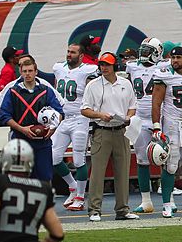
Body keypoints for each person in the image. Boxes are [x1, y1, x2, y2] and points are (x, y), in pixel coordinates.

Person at [82, 52, 139, 222]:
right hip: (102, 130)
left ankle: (122, 209)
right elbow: (84, 109)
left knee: (123, 172)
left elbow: (132, 106)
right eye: (101, 64)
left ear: (114, 66)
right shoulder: (93, 85)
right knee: (97, 172)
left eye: (107, 64)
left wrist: (128, 117)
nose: (104, 68)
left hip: (122, 130)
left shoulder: (125, 84)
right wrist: (100, 114)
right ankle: (94, 210)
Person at [0, 59, 64, 181]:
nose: (27, 74)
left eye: (30, 71)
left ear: (36, 72)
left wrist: (53, 128)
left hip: (43, 142)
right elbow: (4, 115)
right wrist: (22, 129)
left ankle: (46, 200)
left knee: (45, 178)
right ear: (20, 73)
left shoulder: (46, 90)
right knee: (21, 179)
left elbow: (59, 112)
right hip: (20, 141)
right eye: (24, 71)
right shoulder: (13, 91)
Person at [52, 43, 98, 211]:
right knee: (54, 157)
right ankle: (72, 186)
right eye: (68, 51)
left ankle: (80, 196)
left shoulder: (88, 70)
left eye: (73, 52)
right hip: (63, 118)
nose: (69, 54)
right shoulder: (58, 68)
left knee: (79, 158)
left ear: (81, 56)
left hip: (80, 118)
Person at [127, 38, 169, 214]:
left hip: (160, 117)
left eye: (147, 51)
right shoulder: (132, 66)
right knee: (142, 160)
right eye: (142, 51)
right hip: (140, 119)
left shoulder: (165, 67)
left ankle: (169, 200)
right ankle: (146, 201)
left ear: (157, 52)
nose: (143, 55)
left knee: (167, 159)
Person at [152, 46, 182, 218]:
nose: (175, 61)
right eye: (173, 57)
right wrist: (156, 125)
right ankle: (167, 203)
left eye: (179, 57)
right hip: (172, 122)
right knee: (171, 164)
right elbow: (156, 102)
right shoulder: (165, 74)